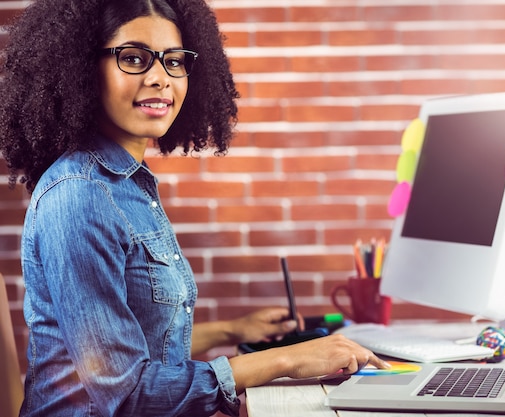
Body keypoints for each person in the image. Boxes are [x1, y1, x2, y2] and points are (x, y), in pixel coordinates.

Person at [0, 1, 388, 416]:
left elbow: (135, 344)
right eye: (133, 58)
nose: (159, 78)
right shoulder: (80, 195)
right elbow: (127, 395)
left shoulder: (127, 183)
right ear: (78, 67)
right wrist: (287, 360)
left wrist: (233, 331)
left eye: (174, 61)